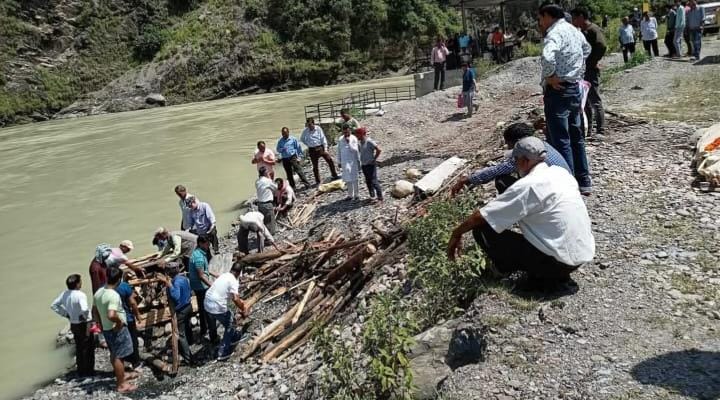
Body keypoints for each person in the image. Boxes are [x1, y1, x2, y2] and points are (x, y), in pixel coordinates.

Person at [447, 137, 595, 288]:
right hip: (580, 256)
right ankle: (546, 272)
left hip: (557, 264)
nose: (514, 164)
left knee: (481, 229)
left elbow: (481, 216)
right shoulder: (560, 173)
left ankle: (509, 271)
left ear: (524, 161)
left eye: (515, 159)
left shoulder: (528, 185)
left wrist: (456, 233)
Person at [538, 3, 592, 195]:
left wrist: (550, 76)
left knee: (561, 138)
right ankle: (584, 180)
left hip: (558, 91)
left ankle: (568, 184)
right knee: (576, 137)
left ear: (547, 16)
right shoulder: (574, 31)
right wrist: (575, 69)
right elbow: (587, 50)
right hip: (574, 89)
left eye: (540, 18)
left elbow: (547, 57)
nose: (540, 23)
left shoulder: (554, 34)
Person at [451, 123, 570, 196]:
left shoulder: (525, 154)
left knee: (501, 180)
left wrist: (467, 180)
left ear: (517, 141)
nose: (508, 148)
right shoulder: (540, 145)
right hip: (567, 189)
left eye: (509, 144)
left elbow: (497, 170)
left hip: (553, 193)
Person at [92, 267, 137, 393]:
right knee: (119, 356)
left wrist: (99, 324)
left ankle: (121, 376)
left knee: (115, 353)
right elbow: (111, 314)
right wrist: (119, 322)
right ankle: (121, 385)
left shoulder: (99, 292)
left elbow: (94, 311)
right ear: (119, 279)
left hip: (106, 329)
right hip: (116, 329)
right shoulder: (113, 295)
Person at [571, 7, 607, 138]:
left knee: (595, 100)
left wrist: (592, 61)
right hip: (583, 71)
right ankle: (588, 130)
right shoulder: (582, 31)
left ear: (581, 17)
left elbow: (601, 45)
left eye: (574, 18)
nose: (573, 21)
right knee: (585, 101)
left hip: (590, 70)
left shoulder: (593, 30)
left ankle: (600, 130)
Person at [204, 263, 250, 361]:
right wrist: (243, 309)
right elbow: (235, 298)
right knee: (231, 324)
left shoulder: (224, 275)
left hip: (207, 301)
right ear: (239, 273)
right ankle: (223, 351)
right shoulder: (233, 280)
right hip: (216, 305)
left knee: (230, 318)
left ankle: (233, 336)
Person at [51, 274, 95, 376]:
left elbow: (54, 305)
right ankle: (89, 371)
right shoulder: (80, 295)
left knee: (79, 347)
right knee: (88, 347)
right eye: (80, 281)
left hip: (73, 324)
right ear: (77, 284)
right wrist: (83, 316)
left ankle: (81, 370)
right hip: (84, 324)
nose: (81, 283)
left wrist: (66, 314)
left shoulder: (64, 294)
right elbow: (84, 309)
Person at [160, 264, 195, 365]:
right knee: (187, 325)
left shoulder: (176, 282)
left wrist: (170, 285)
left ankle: (188, 358)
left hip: (181, 309)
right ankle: (191, 341)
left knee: (181, 334)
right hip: (189, 305)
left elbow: (176, 296)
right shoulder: (183, 278)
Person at [187, 235, 218, 343]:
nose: (208, 245)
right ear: (200, 243)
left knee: (201, 308)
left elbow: (205, 270)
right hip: (201, 287)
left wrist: (215, 274)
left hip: (196, 286)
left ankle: (203, 329)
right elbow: (201, 275)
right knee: (208, 310)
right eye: (206, 243)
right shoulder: (199, 257)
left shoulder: (197, 253)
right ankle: (213, 336)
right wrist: (212, 285)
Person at [114, 273, 142, 368]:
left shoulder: (104, 289)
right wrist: (137, 315)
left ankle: (123, 361)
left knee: (120, 341)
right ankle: (135, 361)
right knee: (133, 339)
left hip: (114, 319)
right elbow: (133, 303)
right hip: (127, 318)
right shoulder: (124, 286)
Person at [300, 118, 340, 185]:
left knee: (329, 160)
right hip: (312, 150)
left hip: (320, 147)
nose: (309, 126)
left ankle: (334, 175)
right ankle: (318, 181)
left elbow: (323, 138)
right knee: (315, 166)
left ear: (313, 123)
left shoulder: (318, 128)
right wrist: (308, 144)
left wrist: (325, 148)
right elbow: (302, 139)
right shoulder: (305, 131)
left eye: (310, 125)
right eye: (308, 125)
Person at [355, 127, 384, 202]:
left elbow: (379, 150)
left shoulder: (369, 141)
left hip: (370, 165)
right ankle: (372, 196)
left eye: (357, 135)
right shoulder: (360, 142)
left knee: (374, 181)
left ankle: (380, 197)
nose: (356, 136)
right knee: (368, 181)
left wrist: (374, 159)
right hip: (364, 165)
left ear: (362, 134)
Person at [337, 124, 361, 201]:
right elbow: (339, 151)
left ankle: (356, 194)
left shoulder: (353, 138)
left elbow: (356, 150)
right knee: (347, 177)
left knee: (354, 177)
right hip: (344, 161)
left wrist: (349, 143)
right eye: (344, 132)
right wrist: (339, 161)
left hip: (353, 160)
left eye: (347, 132)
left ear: (349, 130)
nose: (346, 134)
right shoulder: (340, 139)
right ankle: (350, 195)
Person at [255, 166, 277, 234]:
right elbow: (275, 188)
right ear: (265, 173)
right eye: (267, 172)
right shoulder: (267, 181)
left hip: (260, 204)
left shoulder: (257, 181)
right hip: (267, 204)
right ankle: (270, 237)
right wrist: (270, 179)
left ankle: (264, 234)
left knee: (264, 221)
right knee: (270, 221)